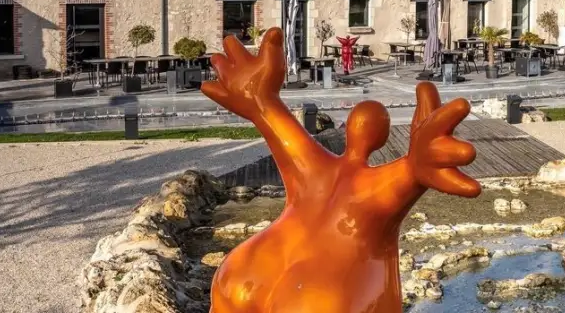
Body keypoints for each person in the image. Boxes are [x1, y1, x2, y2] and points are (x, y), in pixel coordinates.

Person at [201, 28, 480, 313]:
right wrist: (424, 157)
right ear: (382, 137)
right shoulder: (379, 184)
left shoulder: (313, 163)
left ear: (348, 129)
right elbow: (415, 170)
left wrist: (261, 99)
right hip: (329, 291)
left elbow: (273, 120)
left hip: (250, 268)